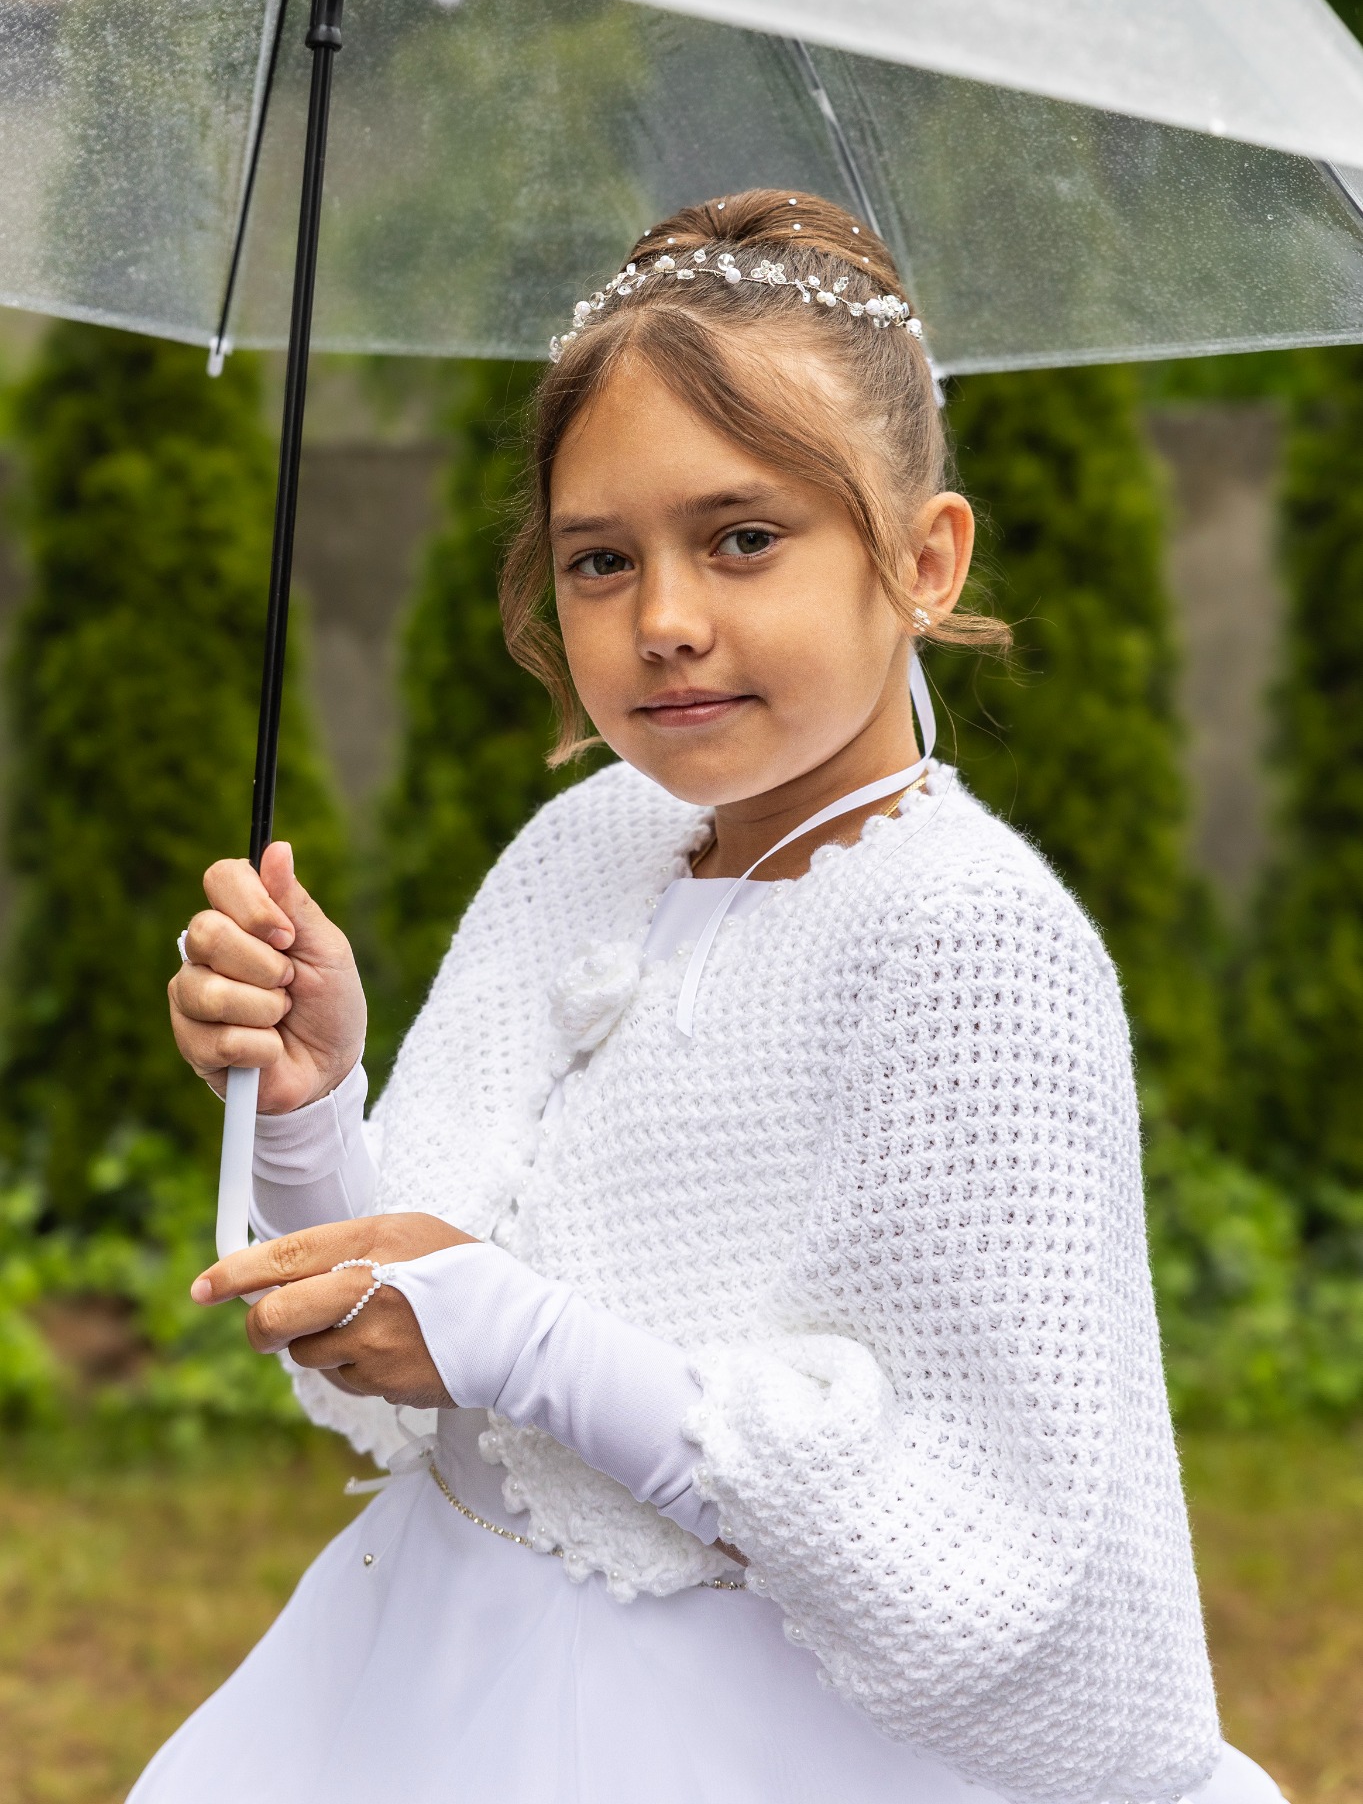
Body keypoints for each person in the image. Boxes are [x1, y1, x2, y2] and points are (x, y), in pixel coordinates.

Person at [141, 190, 1281, 1804]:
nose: (664, 621)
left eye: (743, 538)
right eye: (600, 561)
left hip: (756, 1722)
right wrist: (317, 1102)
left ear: (924, 558)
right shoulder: (588, 843)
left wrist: (516, 1334)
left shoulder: (970, 941)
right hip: (442, 1669)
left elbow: (958, 1524)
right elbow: (400, 1312)